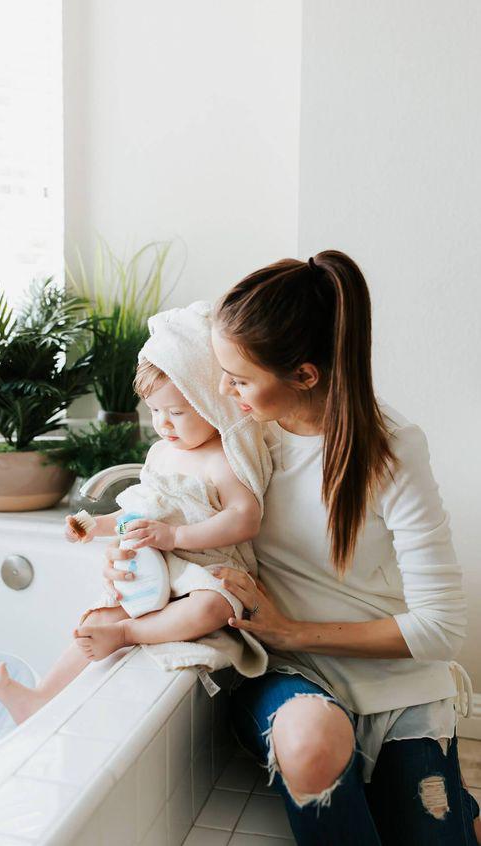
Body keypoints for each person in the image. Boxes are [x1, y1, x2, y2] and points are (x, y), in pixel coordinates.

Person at [102, 251, 479, 845]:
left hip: (391, 677)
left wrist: (292, 628)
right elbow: (170, 514)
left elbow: (439, 628)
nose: (220, 392)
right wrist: (130, 555)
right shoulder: (237, 436)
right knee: (310, 742)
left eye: (239, 378)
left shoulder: (393, 449)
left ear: (304, 375)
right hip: (285, 672)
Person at [0, 302, 270, 725]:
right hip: (156, 565)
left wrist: (175, 539)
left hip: (205, 566)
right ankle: (42, 696)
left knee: (212, 607)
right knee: (98, 614)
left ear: (212, 404)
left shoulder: (220, 460)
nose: (164, 423)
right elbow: (137, 513)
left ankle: (128, 633)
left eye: (177, 412)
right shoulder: (161, 453)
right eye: (155, 411)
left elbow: (245, 518)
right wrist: (93, 527)